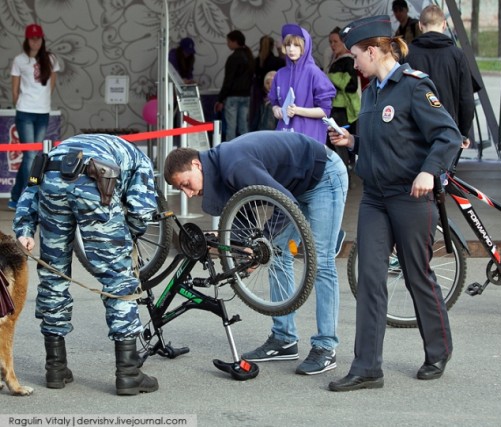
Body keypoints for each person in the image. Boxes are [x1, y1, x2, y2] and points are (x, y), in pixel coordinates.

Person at [327, 15, 462, 392]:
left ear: (373, 50)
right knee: (369, 279)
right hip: (374, 197)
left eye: (356, 55)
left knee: (417, 275)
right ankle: (367, 367)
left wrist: (429, 172)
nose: (354, 63)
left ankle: (438, 351)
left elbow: (448, 136)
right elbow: (381, 139)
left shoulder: (414, 87)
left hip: (410, 196)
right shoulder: (370, 92)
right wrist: (352, 142)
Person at [163, 130, 348, 375]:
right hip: (295, 186)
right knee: (278, 255)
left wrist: (262, 243)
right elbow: (241, 212)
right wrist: (243, 253)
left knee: (321, 262)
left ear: (197, 165)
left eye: (185, 184)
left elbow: (285, 203)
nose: (187, 193)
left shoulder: (235, 165)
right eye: (180, 190)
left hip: (324, 177)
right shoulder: (219, 171)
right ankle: (284, 339)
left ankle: (326, 347)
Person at [13, 134, 159, 396]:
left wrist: (24, 229)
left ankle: (55, 368)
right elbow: (141, 209)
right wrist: (130, 233)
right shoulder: (140, 159)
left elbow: (32, 187)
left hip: (52, 182)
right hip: (96, 185)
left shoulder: (65, 148)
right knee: (118, 277)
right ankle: (128, 374)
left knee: (53, 272)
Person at [404, 4, 476, 140]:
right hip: (448, 132)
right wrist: (463, 133)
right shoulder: (457, 55)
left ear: (420, 25)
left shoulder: (407, 54)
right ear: (444, 25)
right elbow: (466, 100)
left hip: (414, 133)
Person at [8, 23, 60, 211]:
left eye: (38, 38)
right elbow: (14, 88)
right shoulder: (19, 60)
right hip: (25, 112)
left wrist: (41, 102)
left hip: (42, 112)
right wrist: (20, 103)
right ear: (27, 39)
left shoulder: (51, 59)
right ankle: (26, 196)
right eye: (32, 38)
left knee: (32, 156)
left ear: (42, 39)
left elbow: (51, 85)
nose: (35, 41)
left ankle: (15, 196)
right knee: (30, 155)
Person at [268, 23, 336, 146]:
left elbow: (325, 110)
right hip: (284, 137)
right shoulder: (280, 74)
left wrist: (297, 110)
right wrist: (276, 109)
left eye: (296, 45)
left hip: (309, 138)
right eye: (288, 44)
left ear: (306, 46)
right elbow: (274, 102)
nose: (291, 49)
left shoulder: (314, 73)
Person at [326, 26, 360, 182]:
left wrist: (331, 78)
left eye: (335, 41)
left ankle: (344, 178)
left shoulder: (347, 60)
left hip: (343, 111)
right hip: (337, 109)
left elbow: (351, 86)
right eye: (330, 42)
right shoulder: (337, 60)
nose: (333, 45)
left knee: (340, 143)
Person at [215, 30, 255, 140]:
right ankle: (246, 148)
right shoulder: (249, 57)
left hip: (232, 96)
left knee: (231, 127)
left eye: (228, 41)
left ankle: (230, 151)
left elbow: (228, 80)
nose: (227, 44)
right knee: (243, 126)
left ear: (235, 41)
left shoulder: (233, 58)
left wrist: (220, 99)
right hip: (246, 96)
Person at [251, 35, 285, 131]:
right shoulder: (278, 62)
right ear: (272, 46)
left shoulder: (257, 62)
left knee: (258, 121)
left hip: (259, 96)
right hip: (275, 98)